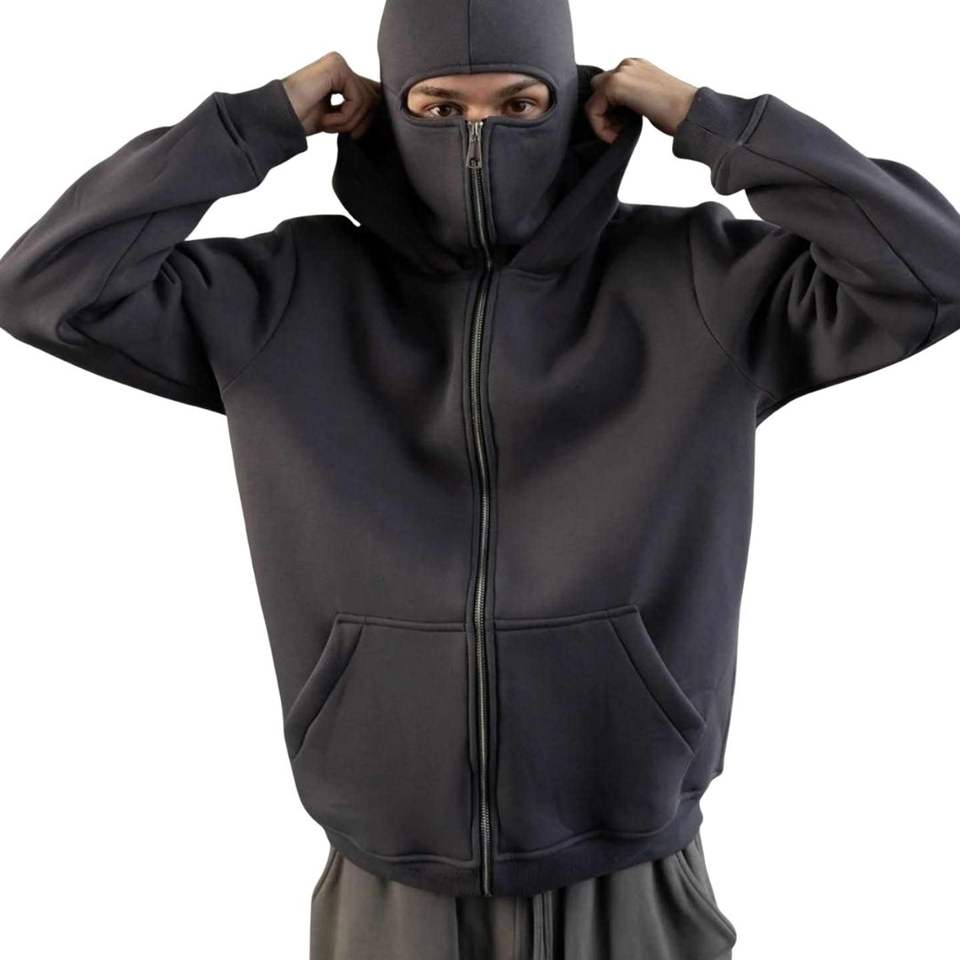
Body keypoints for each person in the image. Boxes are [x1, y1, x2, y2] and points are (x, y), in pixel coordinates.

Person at [1, 0, 957, 956]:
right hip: (387, 882)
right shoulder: (285, 292)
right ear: (387, 110)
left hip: (631, 872)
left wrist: (711, 121)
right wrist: (255, 122)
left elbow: (932, 272)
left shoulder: (702, 279)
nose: (478, 140)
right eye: (439, 107)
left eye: (519, 103)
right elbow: (47, 288)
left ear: (576, 101)